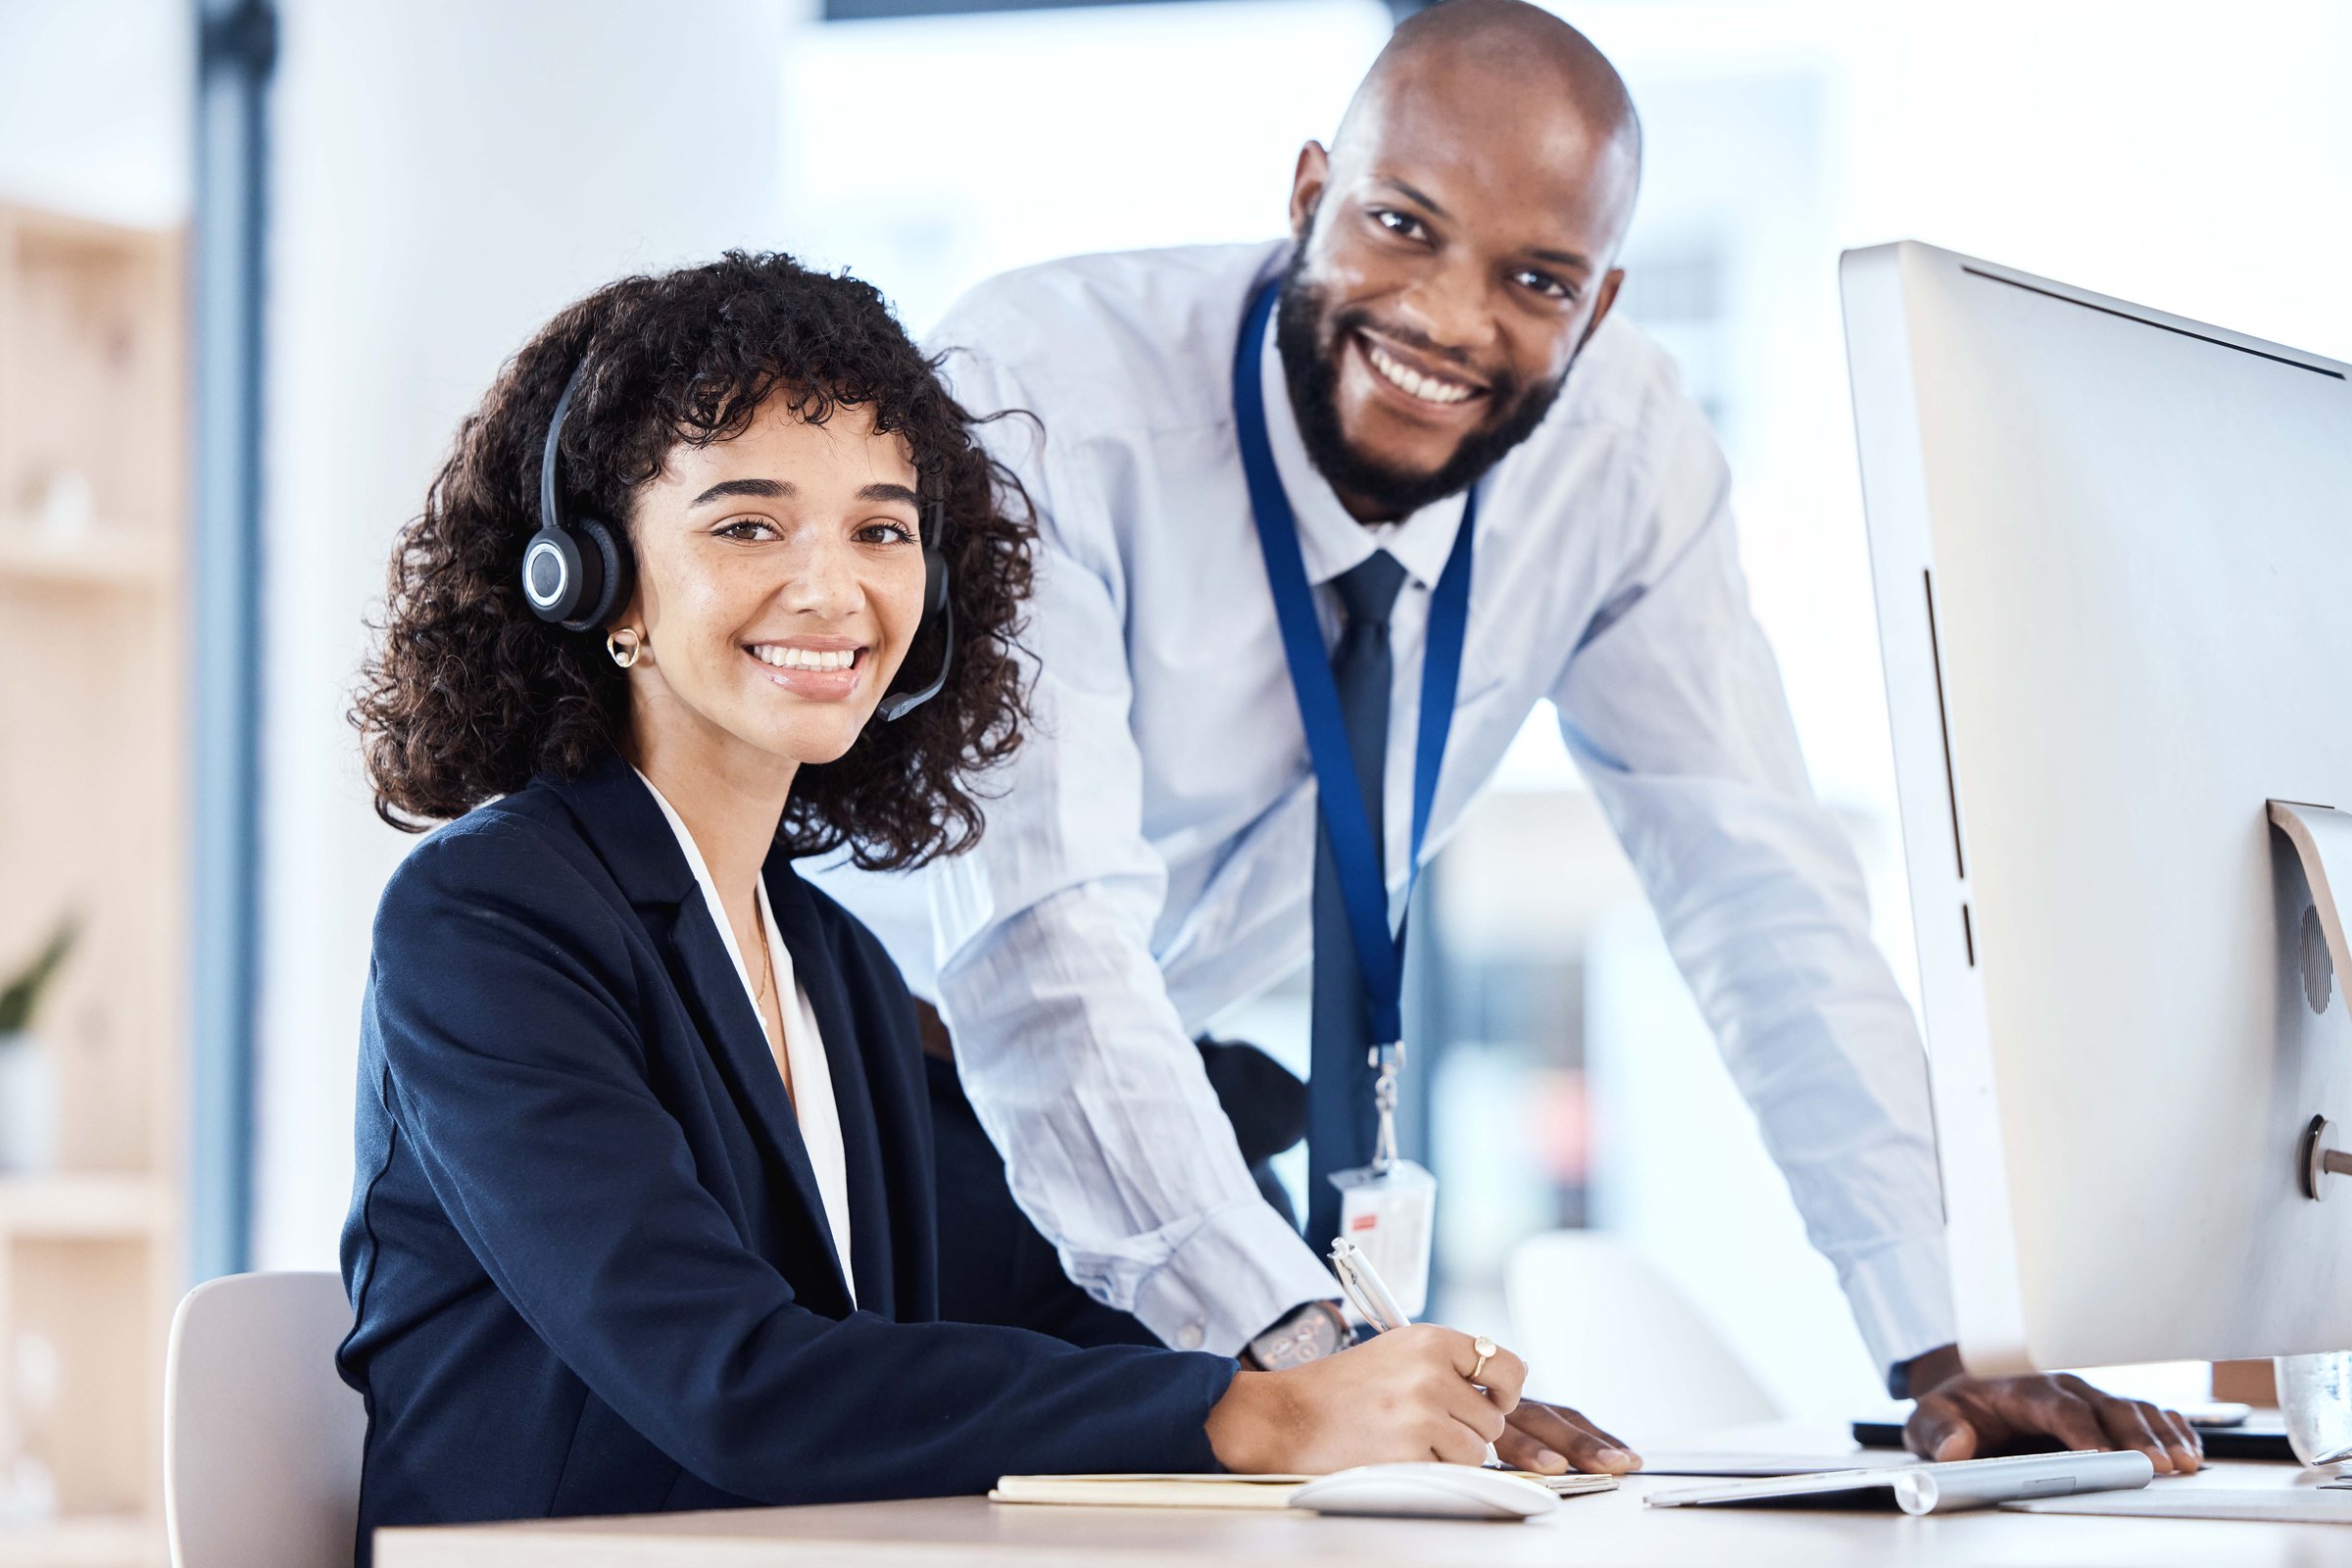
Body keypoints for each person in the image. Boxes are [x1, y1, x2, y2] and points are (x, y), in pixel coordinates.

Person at [808, 0, 2206, 1478]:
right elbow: (1046, 943)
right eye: (1401, 225)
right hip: (842, 1110)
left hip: (1156, 1129)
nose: (1450, 319)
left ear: (1597, 309)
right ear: (1305, 199)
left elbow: (1763, 891)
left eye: (1536, 277)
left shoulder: (1622, 460)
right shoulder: (1045, 393)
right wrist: (1308, 1355)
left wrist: (1954, 1343)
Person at [336, 252, 1532, 1559]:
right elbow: (735, 1383)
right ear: (596, 580)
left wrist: (1359, 1385)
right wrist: (1251, 1418)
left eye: (882, 529)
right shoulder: (488, 922)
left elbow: (1009, 1320)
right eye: (748, 525)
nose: (832, 588)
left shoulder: (831, 962)